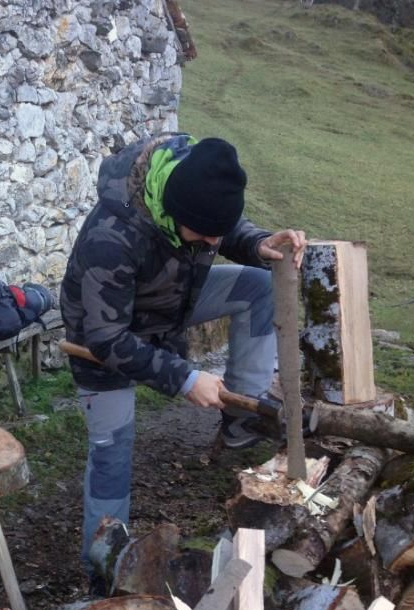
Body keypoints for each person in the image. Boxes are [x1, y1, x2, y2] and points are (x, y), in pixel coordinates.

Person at [60, 133, 306, 577]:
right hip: (104, 337)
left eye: (217, 231)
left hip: (169, 302)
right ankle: (102, 567)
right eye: (204, 233)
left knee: (259, 285)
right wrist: (186, 379)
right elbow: (106, 338)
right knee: (112, 455)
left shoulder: (195, 184)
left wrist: (256, 242)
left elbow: (222, 225)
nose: (213, 240)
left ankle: (241, 420)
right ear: (171, 211)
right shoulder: (110, 238)